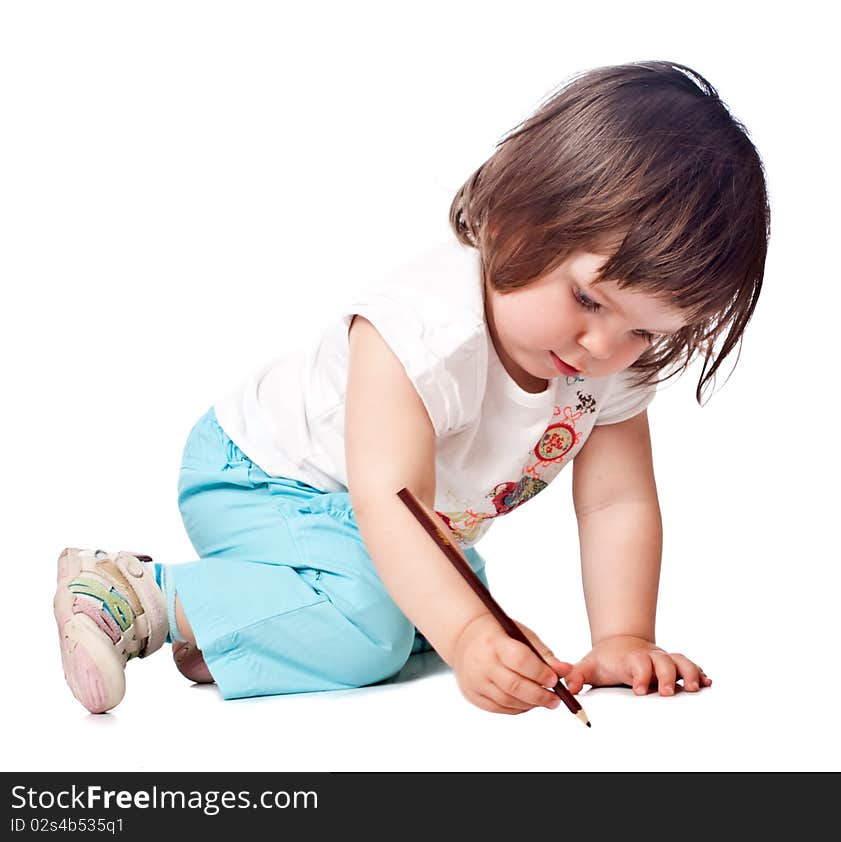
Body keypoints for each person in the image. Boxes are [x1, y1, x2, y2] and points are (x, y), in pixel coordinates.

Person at [54, 60, 769, 716]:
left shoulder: (605, 365)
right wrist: (461, 633)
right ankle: (136, 595)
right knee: (381, 628)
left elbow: (618, 502)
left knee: (450, 616)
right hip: (266, 480)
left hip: (390, 513)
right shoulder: (424, 333)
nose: (604, 347)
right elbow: (387, 500)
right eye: (587, 299)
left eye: (646, 332)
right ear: (519, 215)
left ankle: (243, 629)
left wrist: (621, 636)